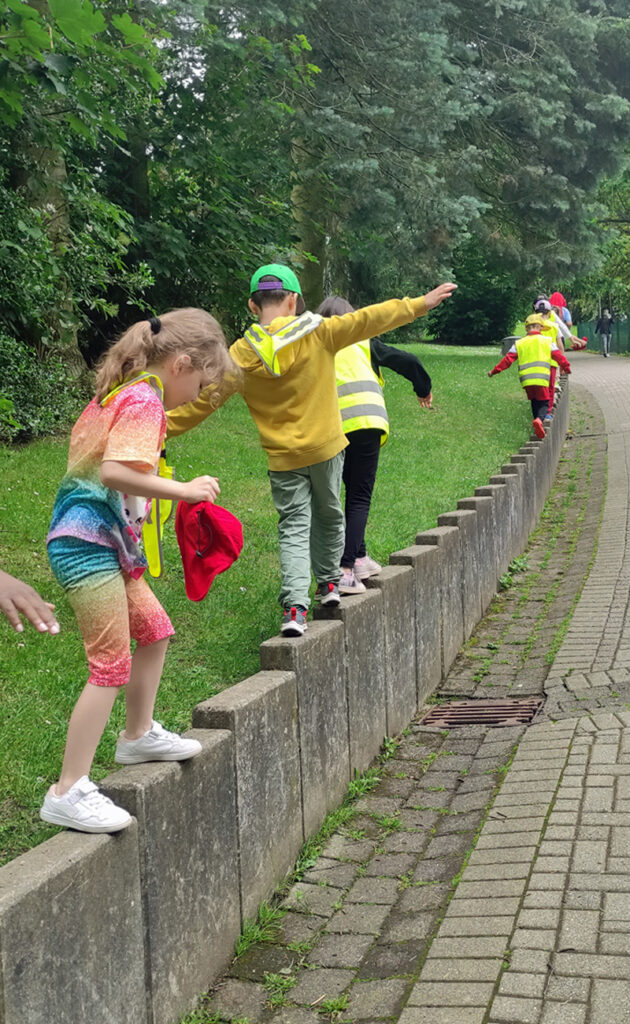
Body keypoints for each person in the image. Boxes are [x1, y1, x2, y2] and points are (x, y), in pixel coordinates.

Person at [167, 264, 456, 637]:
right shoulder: (319, 333)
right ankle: (329, 583)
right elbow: (369, 320)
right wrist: (419, 304)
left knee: (293, 527)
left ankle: (294, 608)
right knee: (331, 513)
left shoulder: (239, 356)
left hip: (283, 458)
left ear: (253, 307)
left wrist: (158, 429)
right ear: (292, 301)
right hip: (326, 450)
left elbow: (200, 403)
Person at [40, 309, 236, 833]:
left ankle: (137, 735)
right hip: (87, 544)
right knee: (109, 664)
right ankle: (68, 789)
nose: (199, 393)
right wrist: (185, 489)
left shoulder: (123, 391)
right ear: (181, 363)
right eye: (202, 381)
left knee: (154, 632)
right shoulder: (144, 401)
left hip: (105, 542)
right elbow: (114, 472)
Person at [317, 295, 433, 595]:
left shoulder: (320, 345)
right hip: (367, 423)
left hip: (333, 428)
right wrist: (423, 389)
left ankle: (360, 557)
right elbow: (409, 361)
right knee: (359, 497)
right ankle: (345, 571)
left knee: (348, 493)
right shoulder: (364, 341)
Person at [488, 313, 571, 439]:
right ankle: (539, 421)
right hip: (542, 378)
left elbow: (507, 360)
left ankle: (537, 427)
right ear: (540, 327)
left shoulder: (519, 343)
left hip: (526, 380)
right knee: (544, 402)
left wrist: (494, 371)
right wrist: (566, 367)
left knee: (534, 401)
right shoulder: (547, 341)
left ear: (526, 328)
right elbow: (558, 356)